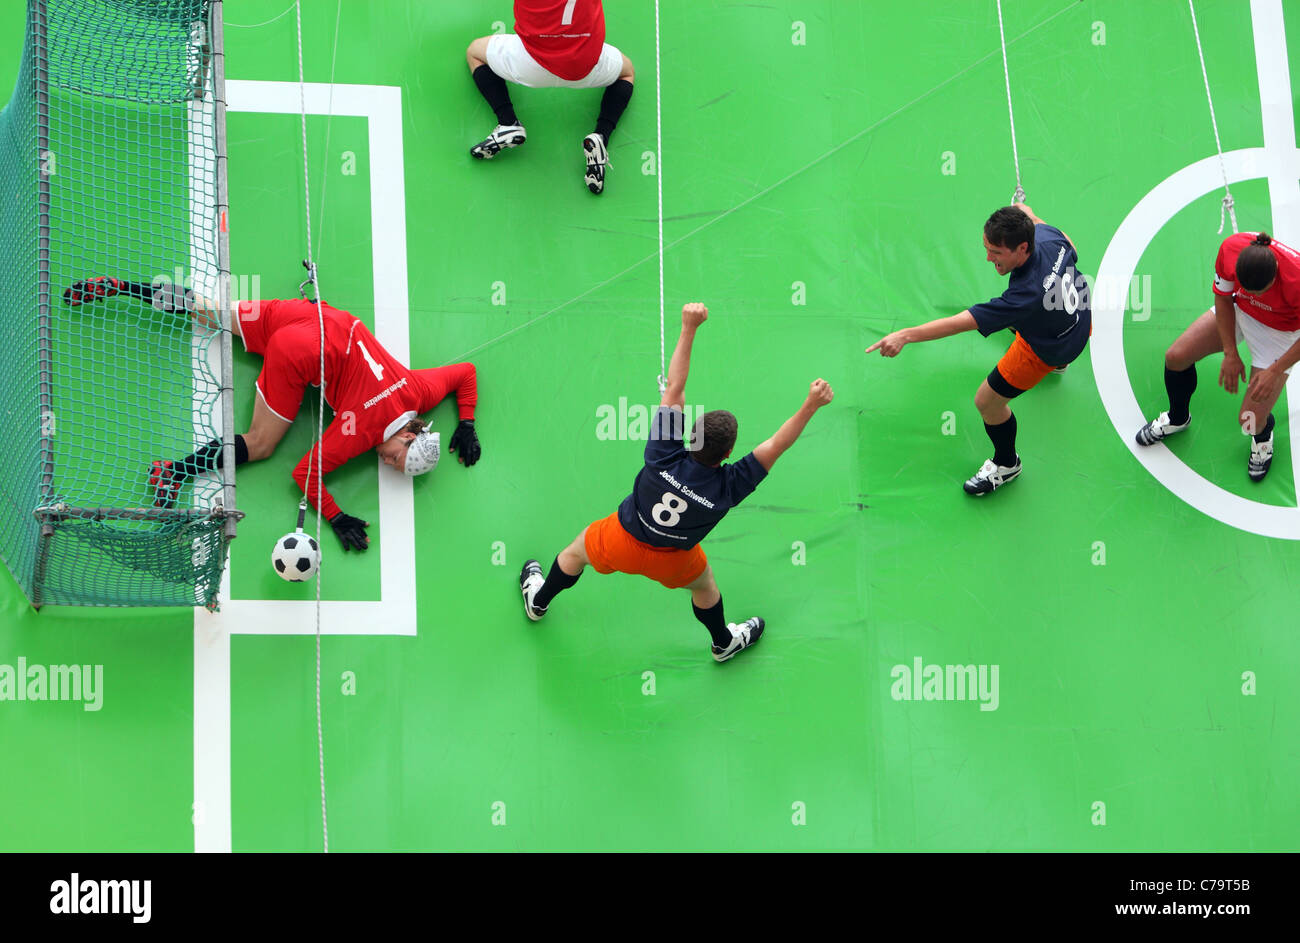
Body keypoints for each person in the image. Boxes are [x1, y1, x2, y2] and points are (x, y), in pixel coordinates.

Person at [62, 277, 481, 549]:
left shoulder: (418, 391)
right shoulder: (362, 432)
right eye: (395, 457)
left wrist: (466, 421)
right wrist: (335, 517)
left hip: (316, 316)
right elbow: (304, 473)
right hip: (296, 354)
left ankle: (123, 287)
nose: (385, 461)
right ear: (408, 436)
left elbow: (465, 373)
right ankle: (173, 471)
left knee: (211, 312)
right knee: (261, 444)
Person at [518, 302, 834, 662]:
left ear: (691, 433)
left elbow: (675, 389)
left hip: (622, 538)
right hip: (674, 561)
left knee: (575, 553)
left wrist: (689, 327)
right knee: (705, 586)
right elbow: (776, 445)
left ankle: (538, 602)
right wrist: (811, 404)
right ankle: (722, 642)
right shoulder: (729, 486)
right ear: (728, 452)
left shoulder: (663, 454)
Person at [865, 203, 1091, 495]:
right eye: (987, 248)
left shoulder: (1023, 297)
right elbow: (1061, 238)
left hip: (1048, 348)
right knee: (1021, 320)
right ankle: (1059, 363)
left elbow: (960, 323)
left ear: (1022, 247)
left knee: (987, 402)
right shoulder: (1049, 237)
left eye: (996, 253)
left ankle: (1007, 465)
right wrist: (1024, 210)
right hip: (1081, 321)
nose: (987, 257)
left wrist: (905, 336)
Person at [1135, 232, 1300, 482]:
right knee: (1176, 357)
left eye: (1261, 291)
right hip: (1241, 310)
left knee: (1250, 421)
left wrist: (1275, 371)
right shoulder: (1231, 249)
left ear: (1275, 274)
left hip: (1281, 334)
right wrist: (1230, 352)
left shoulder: (1296, 279)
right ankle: (1178, 418)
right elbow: (1223, 298)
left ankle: (1263, 435)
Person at [465, 0, 634, 194]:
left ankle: (508, 122)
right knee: (626, 72)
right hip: (582, 69)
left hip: (529, 65)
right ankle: (601, 137)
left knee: (475, 52)